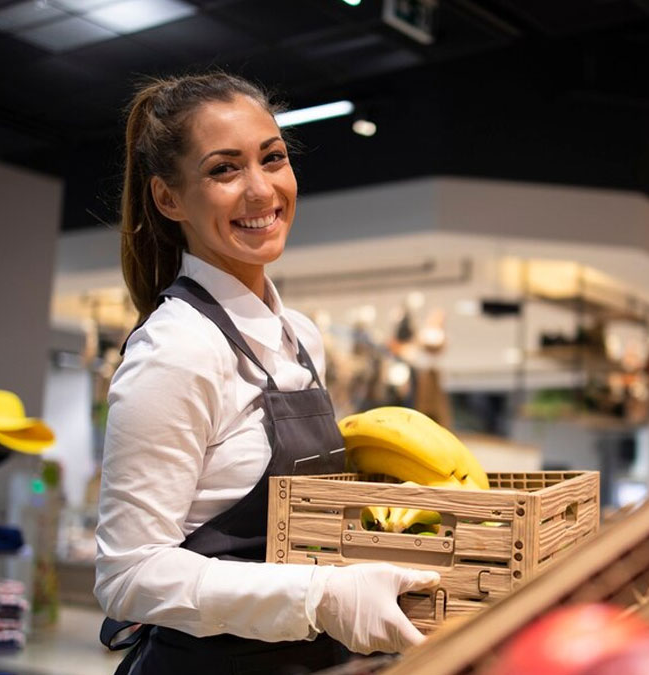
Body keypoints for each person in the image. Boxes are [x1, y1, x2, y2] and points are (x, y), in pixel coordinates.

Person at [94, 72, 440, 675]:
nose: (261, 189)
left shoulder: (301, 338)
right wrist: (320, 598)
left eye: (272, 158)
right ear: (168, 199)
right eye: (224, 169)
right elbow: (129, 574)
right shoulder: (177, 349)